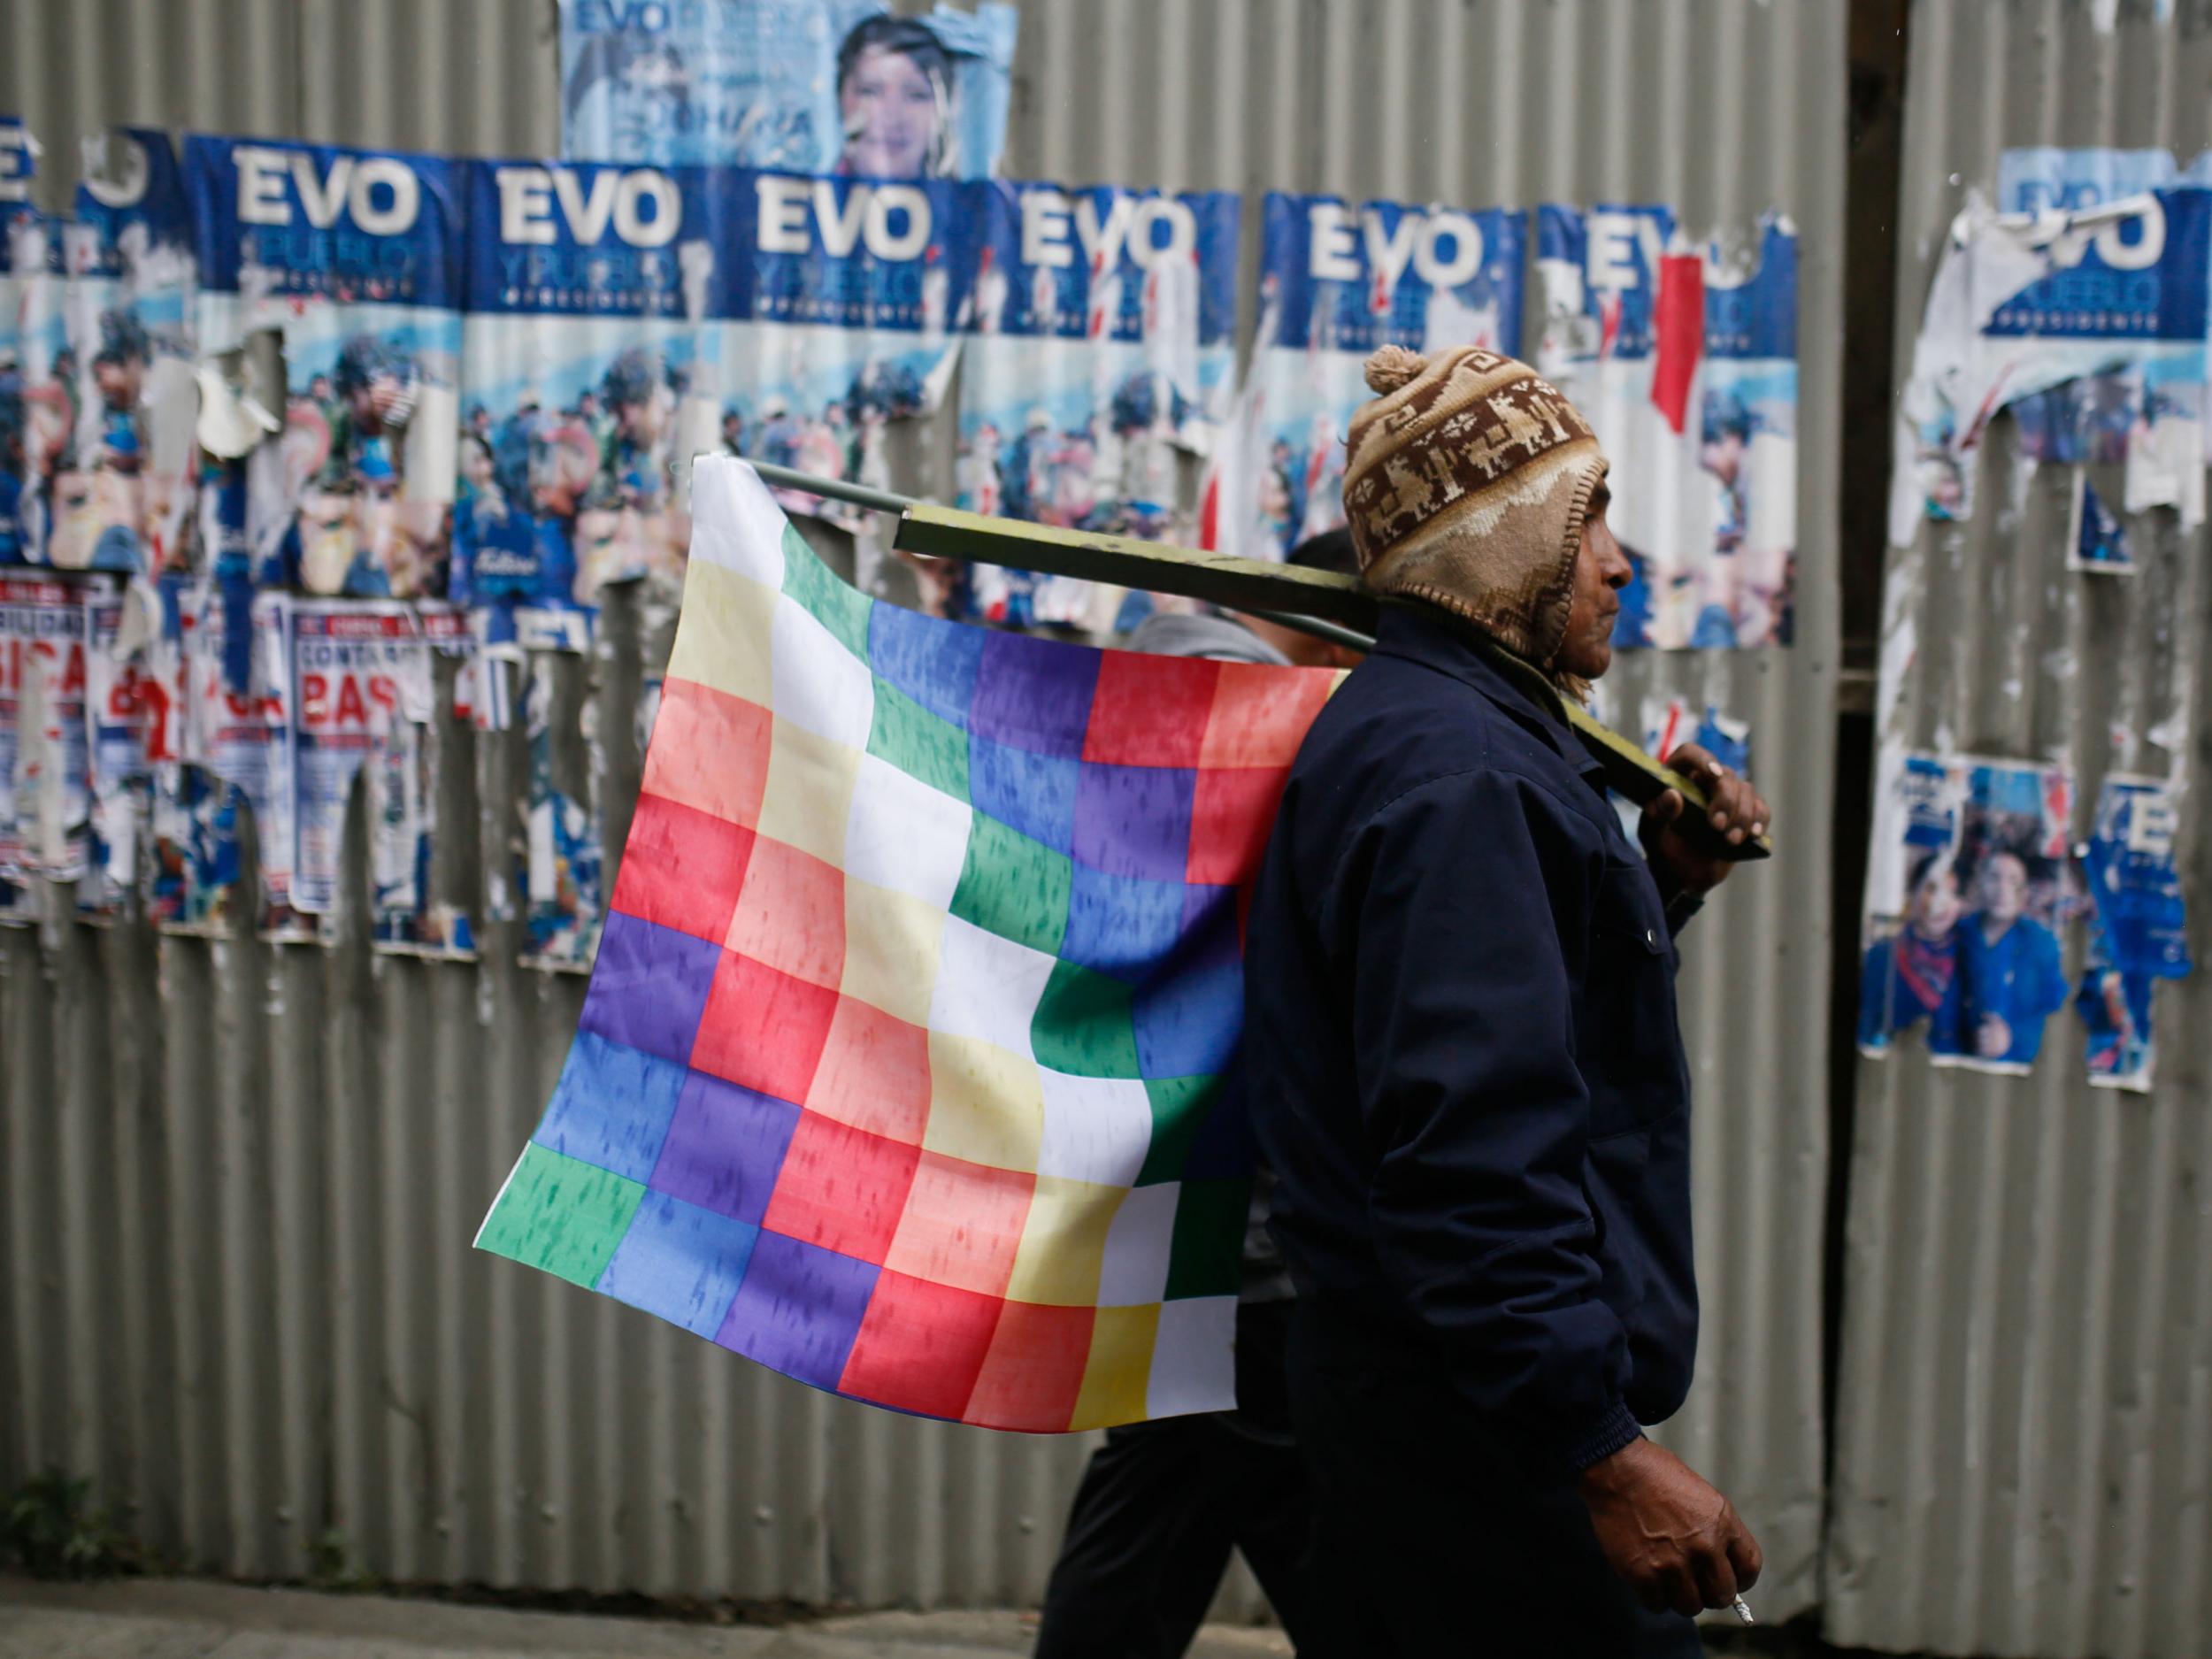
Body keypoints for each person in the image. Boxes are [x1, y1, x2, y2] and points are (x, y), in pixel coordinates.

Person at [1245, 344, 1771, 1657]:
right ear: (1495, 542)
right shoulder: (1458, 768)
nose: (1619, 560)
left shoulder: (1455, 729)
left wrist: (1664, 880)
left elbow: (1530, 1018)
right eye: (1583, 516)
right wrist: (1598, 1448)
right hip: (1466, 1421)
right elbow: (1471, 1151)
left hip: (1424, 1390)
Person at [1033, 531, 1362, 1659]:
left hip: (1169, 1189)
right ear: (1338, 633)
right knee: (1261, 1500)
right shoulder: (1265, 730)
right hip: (1249, 1210)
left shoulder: (1144, 700)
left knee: (1181, 1493)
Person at [1959, 849, 2068, 1066]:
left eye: (2013, 881)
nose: (2002, 890)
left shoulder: (2042, 944)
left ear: (2024, 893)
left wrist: (2012, 1037)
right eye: (1994, 878)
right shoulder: (1961, 933)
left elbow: (2056, 1014)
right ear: (1981, 883)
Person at [1858, 850, 1965, 1056]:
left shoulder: (1968, 962)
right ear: (1913, 892)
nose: (1939, 903)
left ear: (1960, 904)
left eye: (1951, 893)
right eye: (1931, 890)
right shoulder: (1882, 956)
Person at [833, 16, 951, 180]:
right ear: (840, 99)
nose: (893, 115)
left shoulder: (978, 202)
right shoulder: (799, 198)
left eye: (916, 95)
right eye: (870, 92)